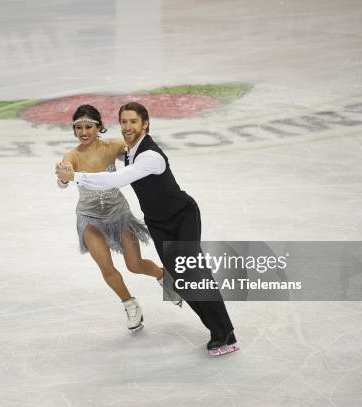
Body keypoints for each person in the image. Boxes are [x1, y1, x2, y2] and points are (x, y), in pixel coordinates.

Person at [57, 102, 238, 356]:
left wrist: (75, 176)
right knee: (184, 282)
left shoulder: (149, 156)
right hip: (156, 222)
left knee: (194, 274)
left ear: (145, 125)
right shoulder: (129, 151)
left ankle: (224, 332)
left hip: (180, 217)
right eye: (124, 122)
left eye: (133, 122)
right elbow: (67, 174)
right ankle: (216, 328)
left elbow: (115, 179)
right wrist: (64, 176)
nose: (128, 127)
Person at [56, 104, 176, 333]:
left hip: (118, 214)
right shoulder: (72, 156)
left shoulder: (113, 147)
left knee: (135, 265)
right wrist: (63, 179)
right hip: (90, 219)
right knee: (107, 268)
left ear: (98, 127)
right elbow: (64, 177)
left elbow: (136, 153)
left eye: (88, 126)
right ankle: (130, 304)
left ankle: (163, 276)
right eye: (79, 127)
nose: (83, 132)